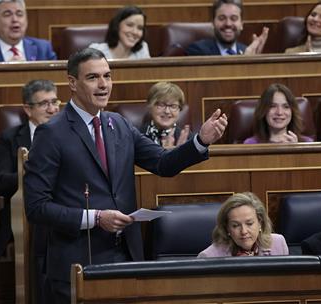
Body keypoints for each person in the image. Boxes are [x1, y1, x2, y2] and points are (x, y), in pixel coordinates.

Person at [23, 47, 228, 302]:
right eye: (93, 77)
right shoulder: (51, 133)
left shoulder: (117, 124)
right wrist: (96, 218)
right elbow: (36, 207)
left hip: (127, 259)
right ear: (72, 83)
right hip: (77, 264)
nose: (103, 85)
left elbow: (163, 163)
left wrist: (200, 141)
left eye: (107, 76)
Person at [0, 79, 60, 303]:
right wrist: (30, 173)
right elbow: (0, 182)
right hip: (24, 213)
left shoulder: (68, 133)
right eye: (44, 104)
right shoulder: (11, 138)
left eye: (55, 102)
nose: (52, 109)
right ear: (27, 109)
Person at [0, 0, 57, 103]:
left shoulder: (43, 48)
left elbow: (55, 88)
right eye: (7, 14)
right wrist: (9, 75)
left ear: (26, 20)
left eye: (19, 14)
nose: (15, 19)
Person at [197, 192, 289, 257]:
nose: (244, 231)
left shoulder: (278, 244)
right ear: (227, 228)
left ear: (260, 223)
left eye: (249, 223)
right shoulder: (209, 256)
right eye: (235, 225)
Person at [186, 0, 269, 56]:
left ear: (241, 24)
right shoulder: (197, 50)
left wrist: (255, 63)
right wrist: (244, 62)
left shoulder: (246, 51)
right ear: (213, 23)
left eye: (234, 18)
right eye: (222, 18)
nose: (228, 24)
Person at [243, 83, 314, 143]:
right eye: (273, 106)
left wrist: (296, 151)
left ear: (292, 111)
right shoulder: (250, 144)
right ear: (263, 110)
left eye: (286, 106)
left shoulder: (307, 143)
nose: (279, 112)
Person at [141, 82, 191, 148]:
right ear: (150, 106)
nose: (167, 111)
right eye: (161, 105)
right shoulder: (137, 136)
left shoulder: (188, 138)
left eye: (173, 106)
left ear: (180, 109)